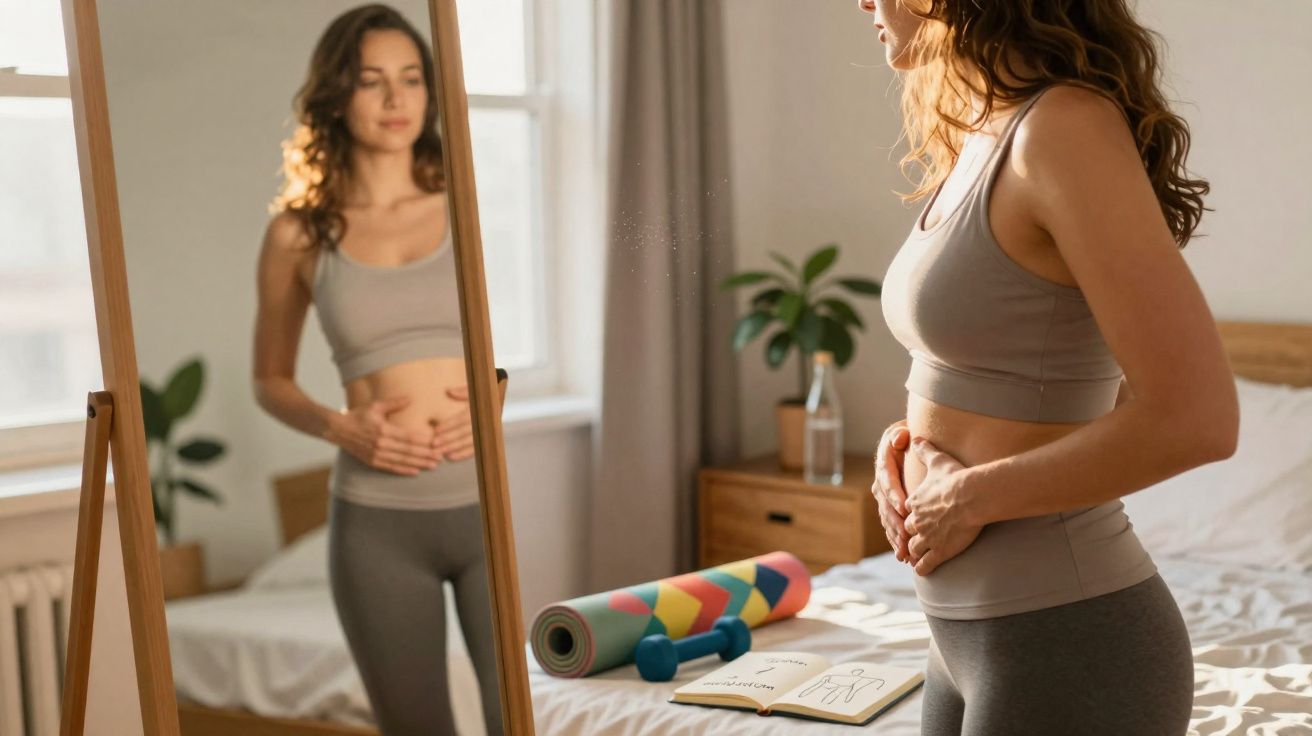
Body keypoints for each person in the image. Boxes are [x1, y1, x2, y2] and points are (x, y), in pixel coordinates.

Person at [859, 1, 1238, 734]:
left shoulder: (1062, 127)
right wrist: (900, 445)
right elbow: (1014, 373)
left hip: (1069, 641)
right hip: (961, 642)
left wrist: (968, 498)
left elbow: (1198, 419)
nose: (864, 4)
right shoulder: (981, 133)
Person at [251, 5, 502, 734]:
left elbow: (493, 356)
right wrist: (342, 427)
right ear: (337, 95)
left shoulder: (466, 202)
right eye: (372, 81)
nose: (397, 101)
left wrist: (493, 397)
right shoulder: (299, 232)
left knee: (518, 716)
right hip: (377, 529)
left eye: (411, 79)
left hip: (480, 502)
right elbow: (268, 379)